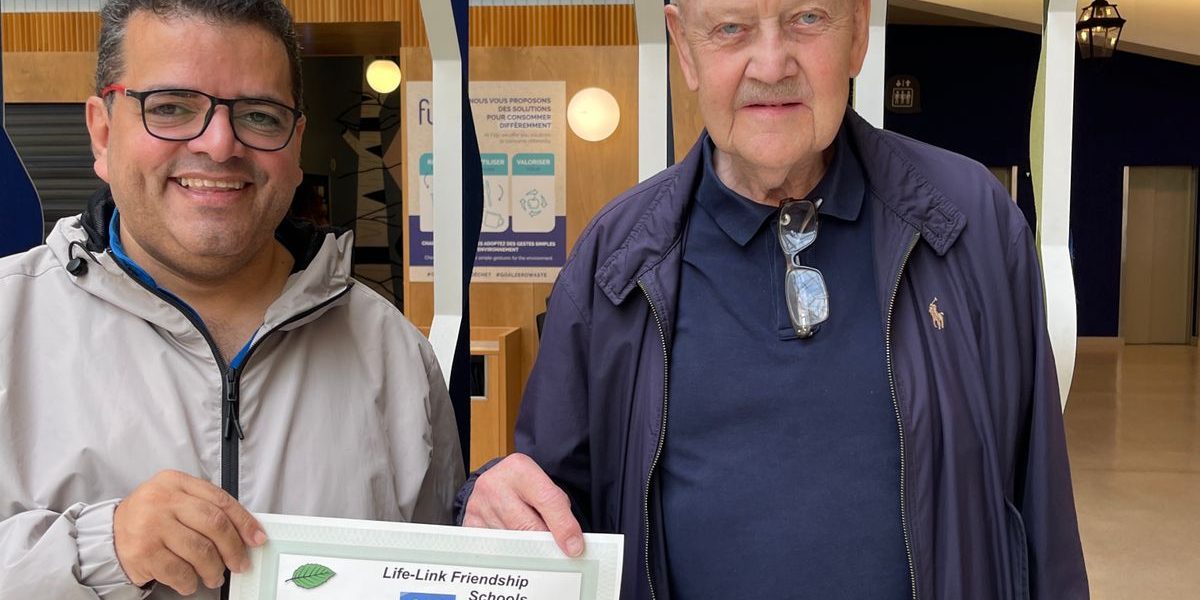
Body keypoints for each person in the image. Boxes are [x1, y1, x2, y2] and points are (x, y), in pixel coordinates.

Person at [456, 0, 1088, 598]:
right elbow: (552, 510)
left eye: (806, 18)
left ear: (857, 33)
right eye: (731, 27)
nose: (770, 64)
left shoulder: (970, 224)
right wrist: (488, 499)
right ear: (684, 47)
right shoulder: (613, 261)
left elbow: (1041, 510)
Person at [0, 1, 463, 598]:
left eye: (260, 116)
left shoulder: (393, 354)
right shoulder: (8, 325)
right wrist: (98, 548)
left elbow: (434, 574)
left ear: (296, 144)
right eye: (170, 107)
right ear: (103, 129)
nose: (220, 145)